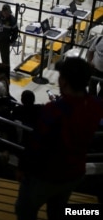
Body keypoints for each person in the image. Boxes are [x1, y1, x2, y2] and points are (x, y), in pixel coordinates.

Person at [16, 57, 103, 220]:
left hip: (48, 175)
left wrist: (22, 168)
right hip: (75, 172)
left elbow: (35, 145)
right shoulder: (96, 105)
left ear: (64, 82)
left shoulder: (53, 111)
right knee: (57, 210)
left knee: (25, 209)